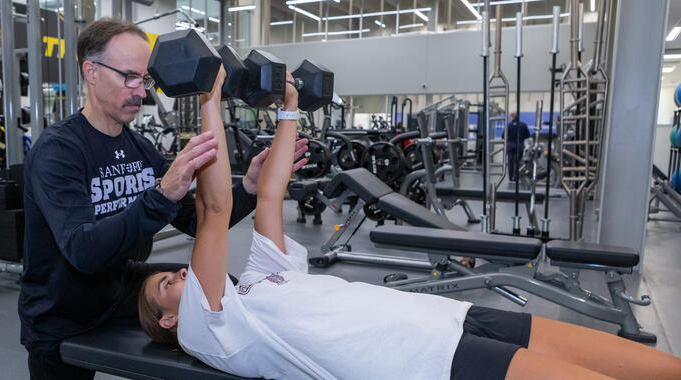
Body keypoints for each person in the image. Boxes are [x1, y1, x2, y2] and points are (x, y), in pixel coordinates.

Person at [137, 70, 681, 379]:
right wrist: (208, 98)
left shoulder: (258, 281)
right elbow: (212, 214)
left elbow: (272, 193)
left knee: (650, 366)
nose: (179, 277)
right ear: (170, 323)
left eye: (172, 273)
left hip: (450, 318)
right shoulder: (213, 331)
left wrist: (289, 108)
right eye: (168, 284)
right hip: (430, 363)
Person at [19, 18, 308, 380]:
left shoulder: (139, 148)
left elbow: (194, 219)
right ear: (91, 72)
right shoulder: (58, 152)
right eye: (130, 77)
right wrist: (159, 196)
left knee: (218, 287)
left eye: (146, 80)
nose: (141, 92)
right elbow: (83, 251)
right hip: (62, 311)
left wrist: (249, 188)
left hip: (119, 287)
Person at [506, 112, 530, 182]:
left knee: (510, 162)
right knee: (516, 162)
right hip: (519, 145)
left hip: (510, 145)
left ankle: (510, 178)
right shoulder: (523, 125)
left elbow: (503, 136)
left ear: (512, 117)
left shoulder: (508, 125)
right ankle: (516, 178)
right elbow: (527, 136)